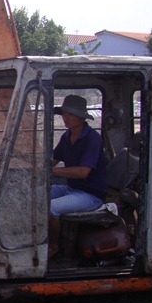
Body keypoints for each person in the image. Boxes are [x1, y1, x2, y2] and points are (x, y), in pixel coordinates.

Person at [49, 95, 107, 256]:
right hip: (71, 188)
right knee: (37, 195)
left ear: (81, 117)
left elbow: (83, 172)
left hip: (90, 195)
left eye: (70, 114)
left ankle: (53, 246)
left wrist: (51, 171)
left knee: (51, 208)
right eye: (63, 114)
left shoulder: (92, 139)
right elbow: (52, 161)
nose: (65, 118)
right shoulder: (67, 137)